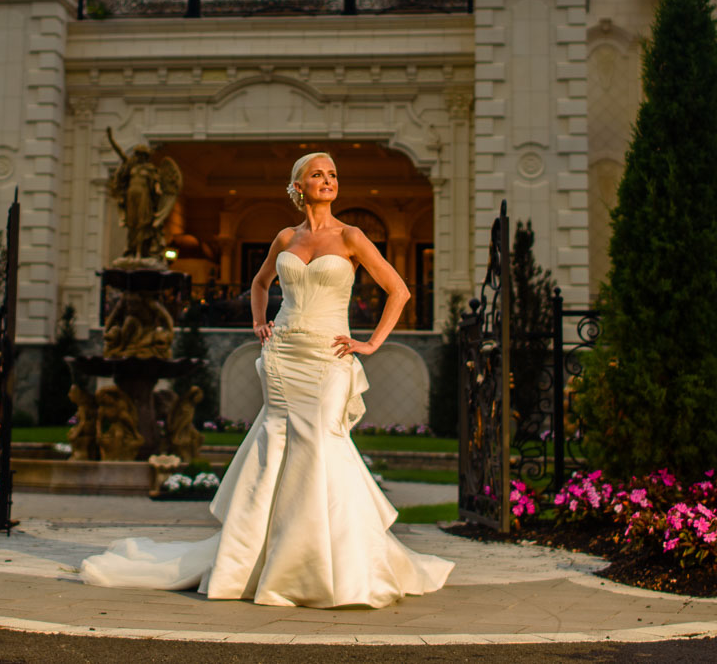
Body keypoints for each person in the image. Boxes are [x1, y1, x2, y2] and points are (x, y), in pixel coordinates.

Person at [78, 151, 454, 608]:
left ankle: (333, 566)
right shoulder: (284, 237)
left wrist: (371, 344)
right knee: (276, 447)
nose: (328, 180)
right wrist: (260, 322)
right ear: (299, 186)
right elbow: (259, 284)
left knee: (322, 444)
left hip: (329, 357)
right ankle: (256, 563)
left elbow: (399, 290)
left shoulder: (352, 235)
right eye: (318, 175)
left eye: (333, 174)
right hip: (283, 356)